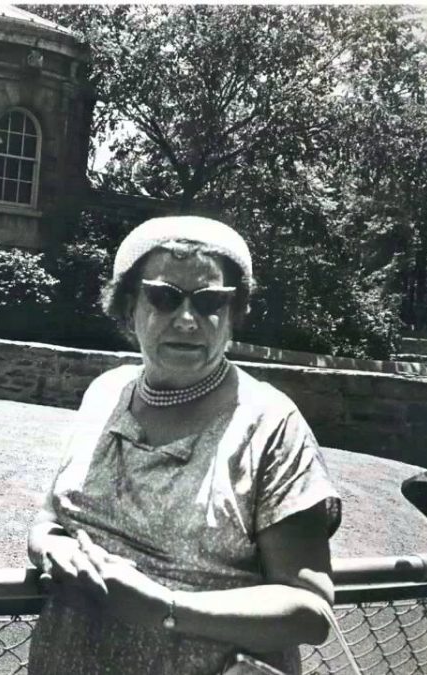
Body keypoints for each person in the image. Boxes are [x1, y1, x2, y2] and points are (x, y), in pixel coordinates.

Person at [26, 216, 342, 675]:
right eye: (164, 297)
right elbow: (49, 518)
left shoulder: (270, 425)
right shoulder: (103, 394)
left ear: (234, 313)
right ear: (128, 304)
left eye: (211, 302)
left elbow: (310, 611)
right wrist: (50, 548)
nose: (188, 319)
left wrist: (166, 607)